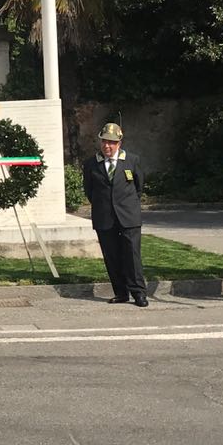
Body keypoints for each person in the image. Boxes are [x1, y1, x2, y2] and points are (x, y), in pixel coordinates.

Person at [82, 123, 148, 307]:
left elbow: (138, 186)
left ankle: (139, 293)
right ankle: (121, 292)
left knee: (132, 256)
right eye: (104, 142)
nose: (107, 146)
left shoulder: (132, 160)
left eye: (111, 142)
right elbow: (90, 190)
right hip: (105, 217)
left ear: (119, 143)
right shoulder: (91, 164)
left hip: (129, 216)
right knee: (112, 256)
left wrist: (126, 204)